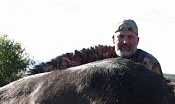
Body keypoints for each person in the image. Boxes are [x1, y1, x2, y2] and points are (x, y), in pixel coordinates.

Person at [27, 19, 162, 75]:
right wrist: (35, 72)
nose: (125, 42)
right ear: (113, 39)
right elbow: (72, 59)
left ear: (137, 40)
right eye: (121, 36)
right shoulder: (102, 53)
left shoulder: (149, 63)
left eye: (130, 37)